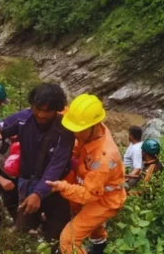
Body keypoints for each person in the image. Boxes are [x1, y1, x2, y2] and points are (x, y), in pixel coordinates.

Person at [0, 83, 74, 250]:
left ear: (57, 109)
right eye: (38, 108)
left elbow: (56, 166)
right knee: (24, 226)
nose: (41, 114)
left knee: (57, 232)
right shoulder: (23, 118)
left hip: (55, 187)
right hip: (27, 183)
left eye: (47, 110)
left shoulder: (64, 130)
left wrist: (38, 193)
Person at [46, 93, 127, 254]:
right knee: (90, 223)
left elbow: (89, 195)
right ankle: (99, 244)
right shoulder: (94, 130)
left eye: (78, 130)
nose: (74, 134)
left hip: (104, 201)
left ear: (94, 125)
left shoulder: (102, 158)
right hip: (94, 188)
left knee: (68, 239)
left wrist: (63, 187)